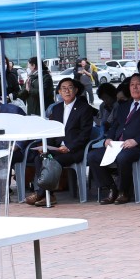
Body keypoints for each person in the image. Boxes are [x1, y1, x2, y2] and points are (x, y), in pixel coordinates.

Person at [89, 73, 140, 205]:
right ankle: (112, 188)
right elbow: (115, 125)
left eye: (138, 84)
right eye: (132, 85)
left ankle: (124, 191)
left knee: (123, 157)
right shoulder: (124, 106)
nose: (134, 88)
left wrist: (136, 141)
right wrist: (109, 138)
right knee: (93, 156)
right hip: (117, 144)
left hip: (138, 146)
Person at [24, 78, 95, 208]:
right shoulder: (56, 109)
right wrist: (45, 146)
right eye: (63, 88)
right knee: (40, 158)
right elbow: (52, 132)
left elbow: (85, 134)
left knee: (53, 161)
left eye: (70, 87)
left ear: (76, 90)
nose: (67, 91)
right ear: (59, 92)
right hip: (56, 149)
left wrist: (69, 147)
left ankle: (41, 194)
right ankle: (48, 195)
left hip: (74, 150)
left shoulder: (84, 108)